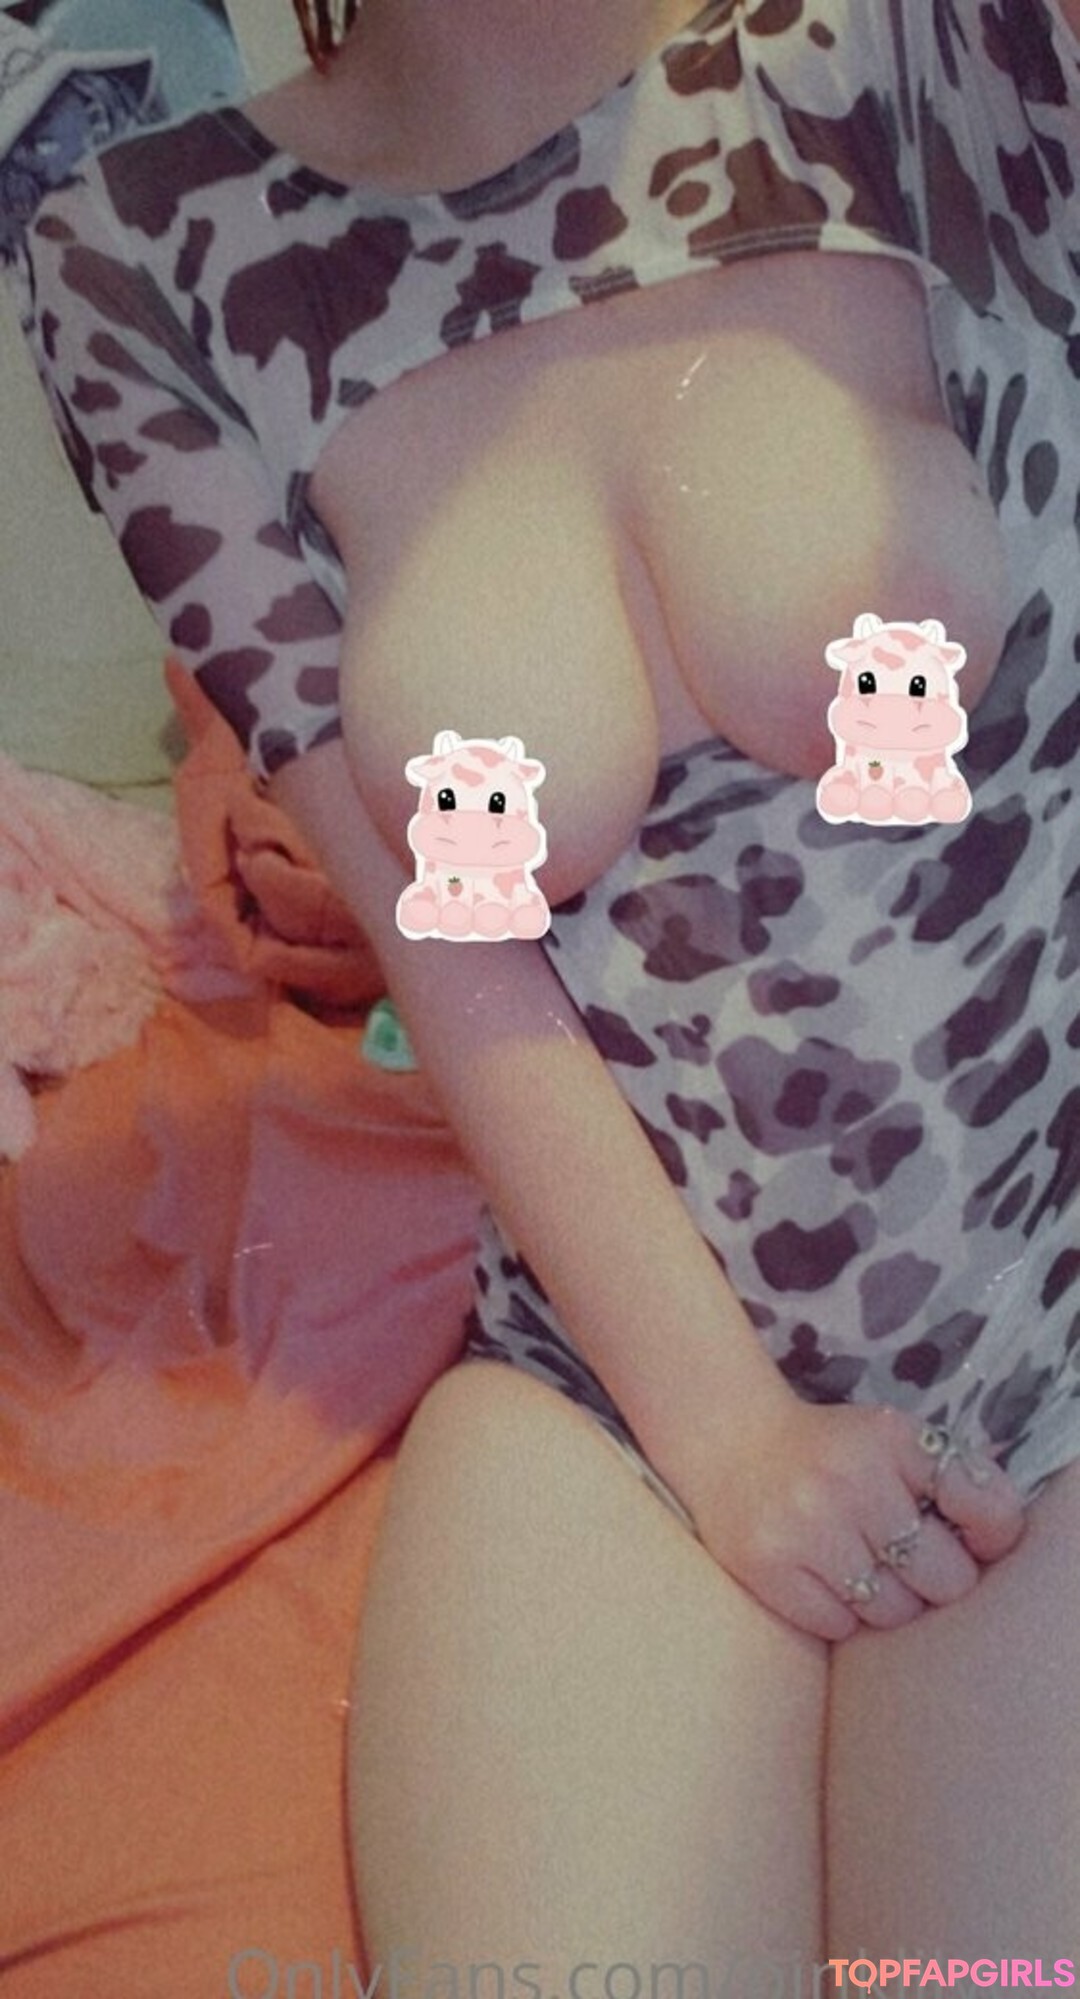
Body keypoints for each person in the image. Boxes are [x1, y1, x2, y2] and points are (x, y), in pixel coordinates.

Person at [18, 0, 1080, 1969]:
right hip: (618, 1380)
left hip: (1053, 1322)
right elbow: (450, 948)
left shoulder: (918, 37)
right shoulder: (138, 251)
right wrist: (732, 1443)